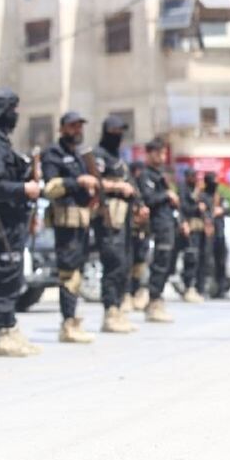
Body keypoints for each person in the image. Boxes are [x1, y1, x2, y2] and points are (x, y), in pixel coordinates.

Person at [0, 88, 43, 356]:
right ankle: (2, 334)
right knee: (6, 276)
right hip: (2, 223)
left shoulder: (2, 142)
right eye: (13, 111)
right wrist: (24, 189)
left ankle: (10, 326)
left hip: (14, 222)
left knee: (13, 276)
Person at [40, 111, 98, 343]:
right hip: (65, 219)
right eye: (72, 126)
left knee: (77, 271)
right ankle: (67, 323)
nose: (77, 130)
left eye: (79, 126)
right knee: (67, 271)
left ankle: (73, 319)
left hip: (82, 219)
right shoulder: (53, 154)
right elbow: (50, 186)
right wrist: (78, 181)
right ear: (62, 128)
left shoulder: (79, 155)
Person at [91, 116, 137, 334]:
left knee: (125, 263)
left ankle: (118, 308)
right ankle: (110, 310)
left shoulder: (118, 157)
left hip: (124, 218)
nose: (119, 135)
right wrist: (118, 187)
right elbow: (95, 181)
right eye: (115, 130)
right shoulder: (99, 156)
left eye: (121, 130)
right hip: (109, 218)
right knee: (113, 262)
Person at [137, 138, 179, 322]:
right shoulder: (146, 175)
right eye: (158, 153)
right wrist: (166, 195)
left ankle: (156, 298)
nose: (162, 157)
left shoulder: (161, 175)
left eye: (163, 153)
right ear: (150, 153)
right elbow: (148, 199)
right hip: (156, 225)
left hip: (168, 223)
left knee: (167, 263)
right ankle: (153, 301)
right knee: (159, 263)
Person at [127, 161, 153, 311]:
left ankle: (135, 292)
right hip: (131, 231)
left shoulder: (144, 188)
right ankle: (127, 294)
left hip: (143, 231)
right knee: (128, 263)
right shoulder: (131, 187)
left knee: (140, 264)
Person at [179, 169, 207, 302]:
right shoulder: (184, 189)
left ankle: (196, 286)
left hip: (199, 228)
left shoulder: (198, 190)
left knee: (198, 258)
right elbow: (185, 207)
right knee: (190, 257)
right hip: (189, 227)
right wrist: (197, 207)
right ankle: (187, 287)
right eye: (192, 176)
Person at [203, 172, 230, 298]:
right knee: (207, 262)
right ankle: (205, 288)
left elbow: (226, 208)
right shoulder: (203, 196)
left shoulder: (219, 196)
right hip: (207, 234)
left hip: (219, 233)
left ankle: (221, 289)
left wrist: (221, 210)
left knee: (221, 262)